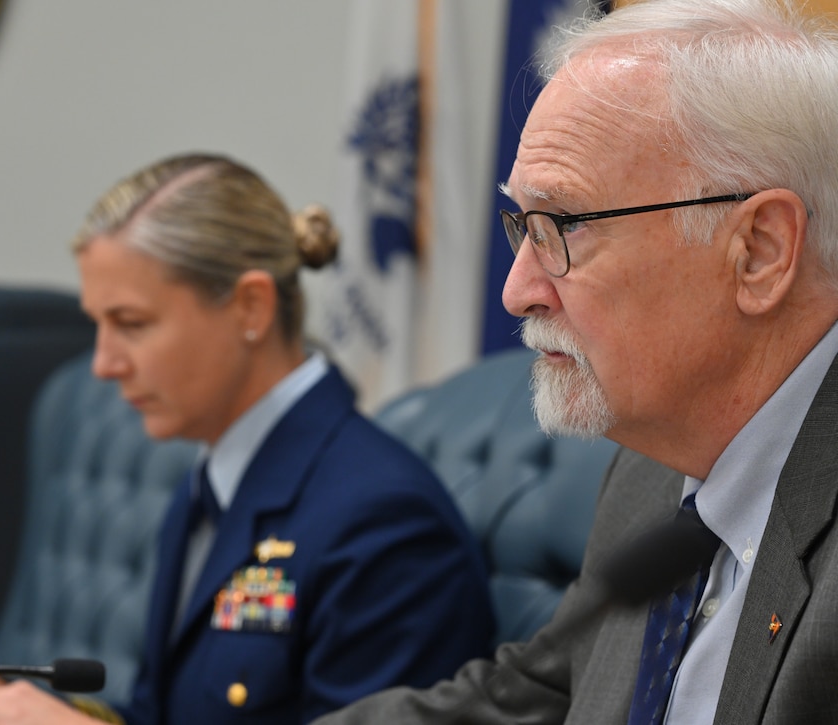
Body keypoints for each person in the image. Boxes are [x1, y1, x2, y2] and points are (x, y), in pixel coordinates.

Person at [314, 0, 838, 723]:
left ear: (760, 251)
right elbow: (530, 695)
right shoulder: (652, 467)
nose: (516, 291)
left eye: (562, 226)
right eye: (520, 226)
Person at [0, 152, 494, 725]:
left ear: (250, 307)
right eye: (98, 326)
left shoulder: (381, 520)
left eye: (130, 324)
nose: (103, 364)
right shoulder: (213, 482)